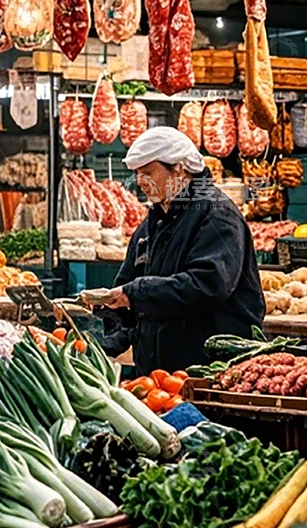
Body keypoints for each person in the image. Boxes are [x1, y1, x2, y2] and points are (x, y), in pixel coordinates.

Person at [99, 127, 265, 374]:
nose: (141, 183)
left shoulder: (217, 215)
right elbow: (127, 293)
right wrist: (104, 344)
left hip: (210, 373)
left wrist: (137, 293)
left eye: (148, 173)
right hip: (158, 376)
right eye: (137, 174)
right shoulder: (152, 223)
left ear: (179, 168)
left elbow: (207, 285)